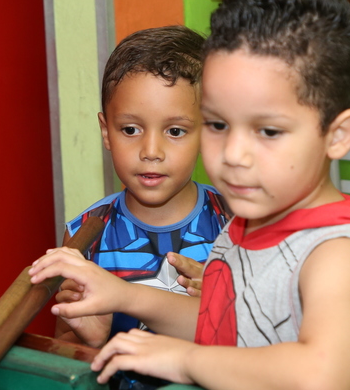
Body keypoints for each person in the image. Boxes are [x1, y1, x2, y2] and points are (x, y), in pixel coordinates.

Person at [31, 0, 350, 390]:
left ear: (337, 135)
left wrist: (185, 359)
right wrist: (122, 297)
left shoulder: (338, 251)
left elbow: (317, 388)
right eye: (217, 124)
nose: (233, 154)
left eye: (268, 131)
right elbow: (227, 328)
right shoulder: (243, 227)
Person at [55, 26, 232, 350]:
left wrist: (224, 305)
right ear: (106, 132)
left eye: (175, 131)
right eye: (130, 129)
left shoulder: (237, 223)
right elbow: (64, 348)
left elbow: (272, 341)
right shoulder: (84, 236)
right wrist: (93, 338)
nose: (151, 151)